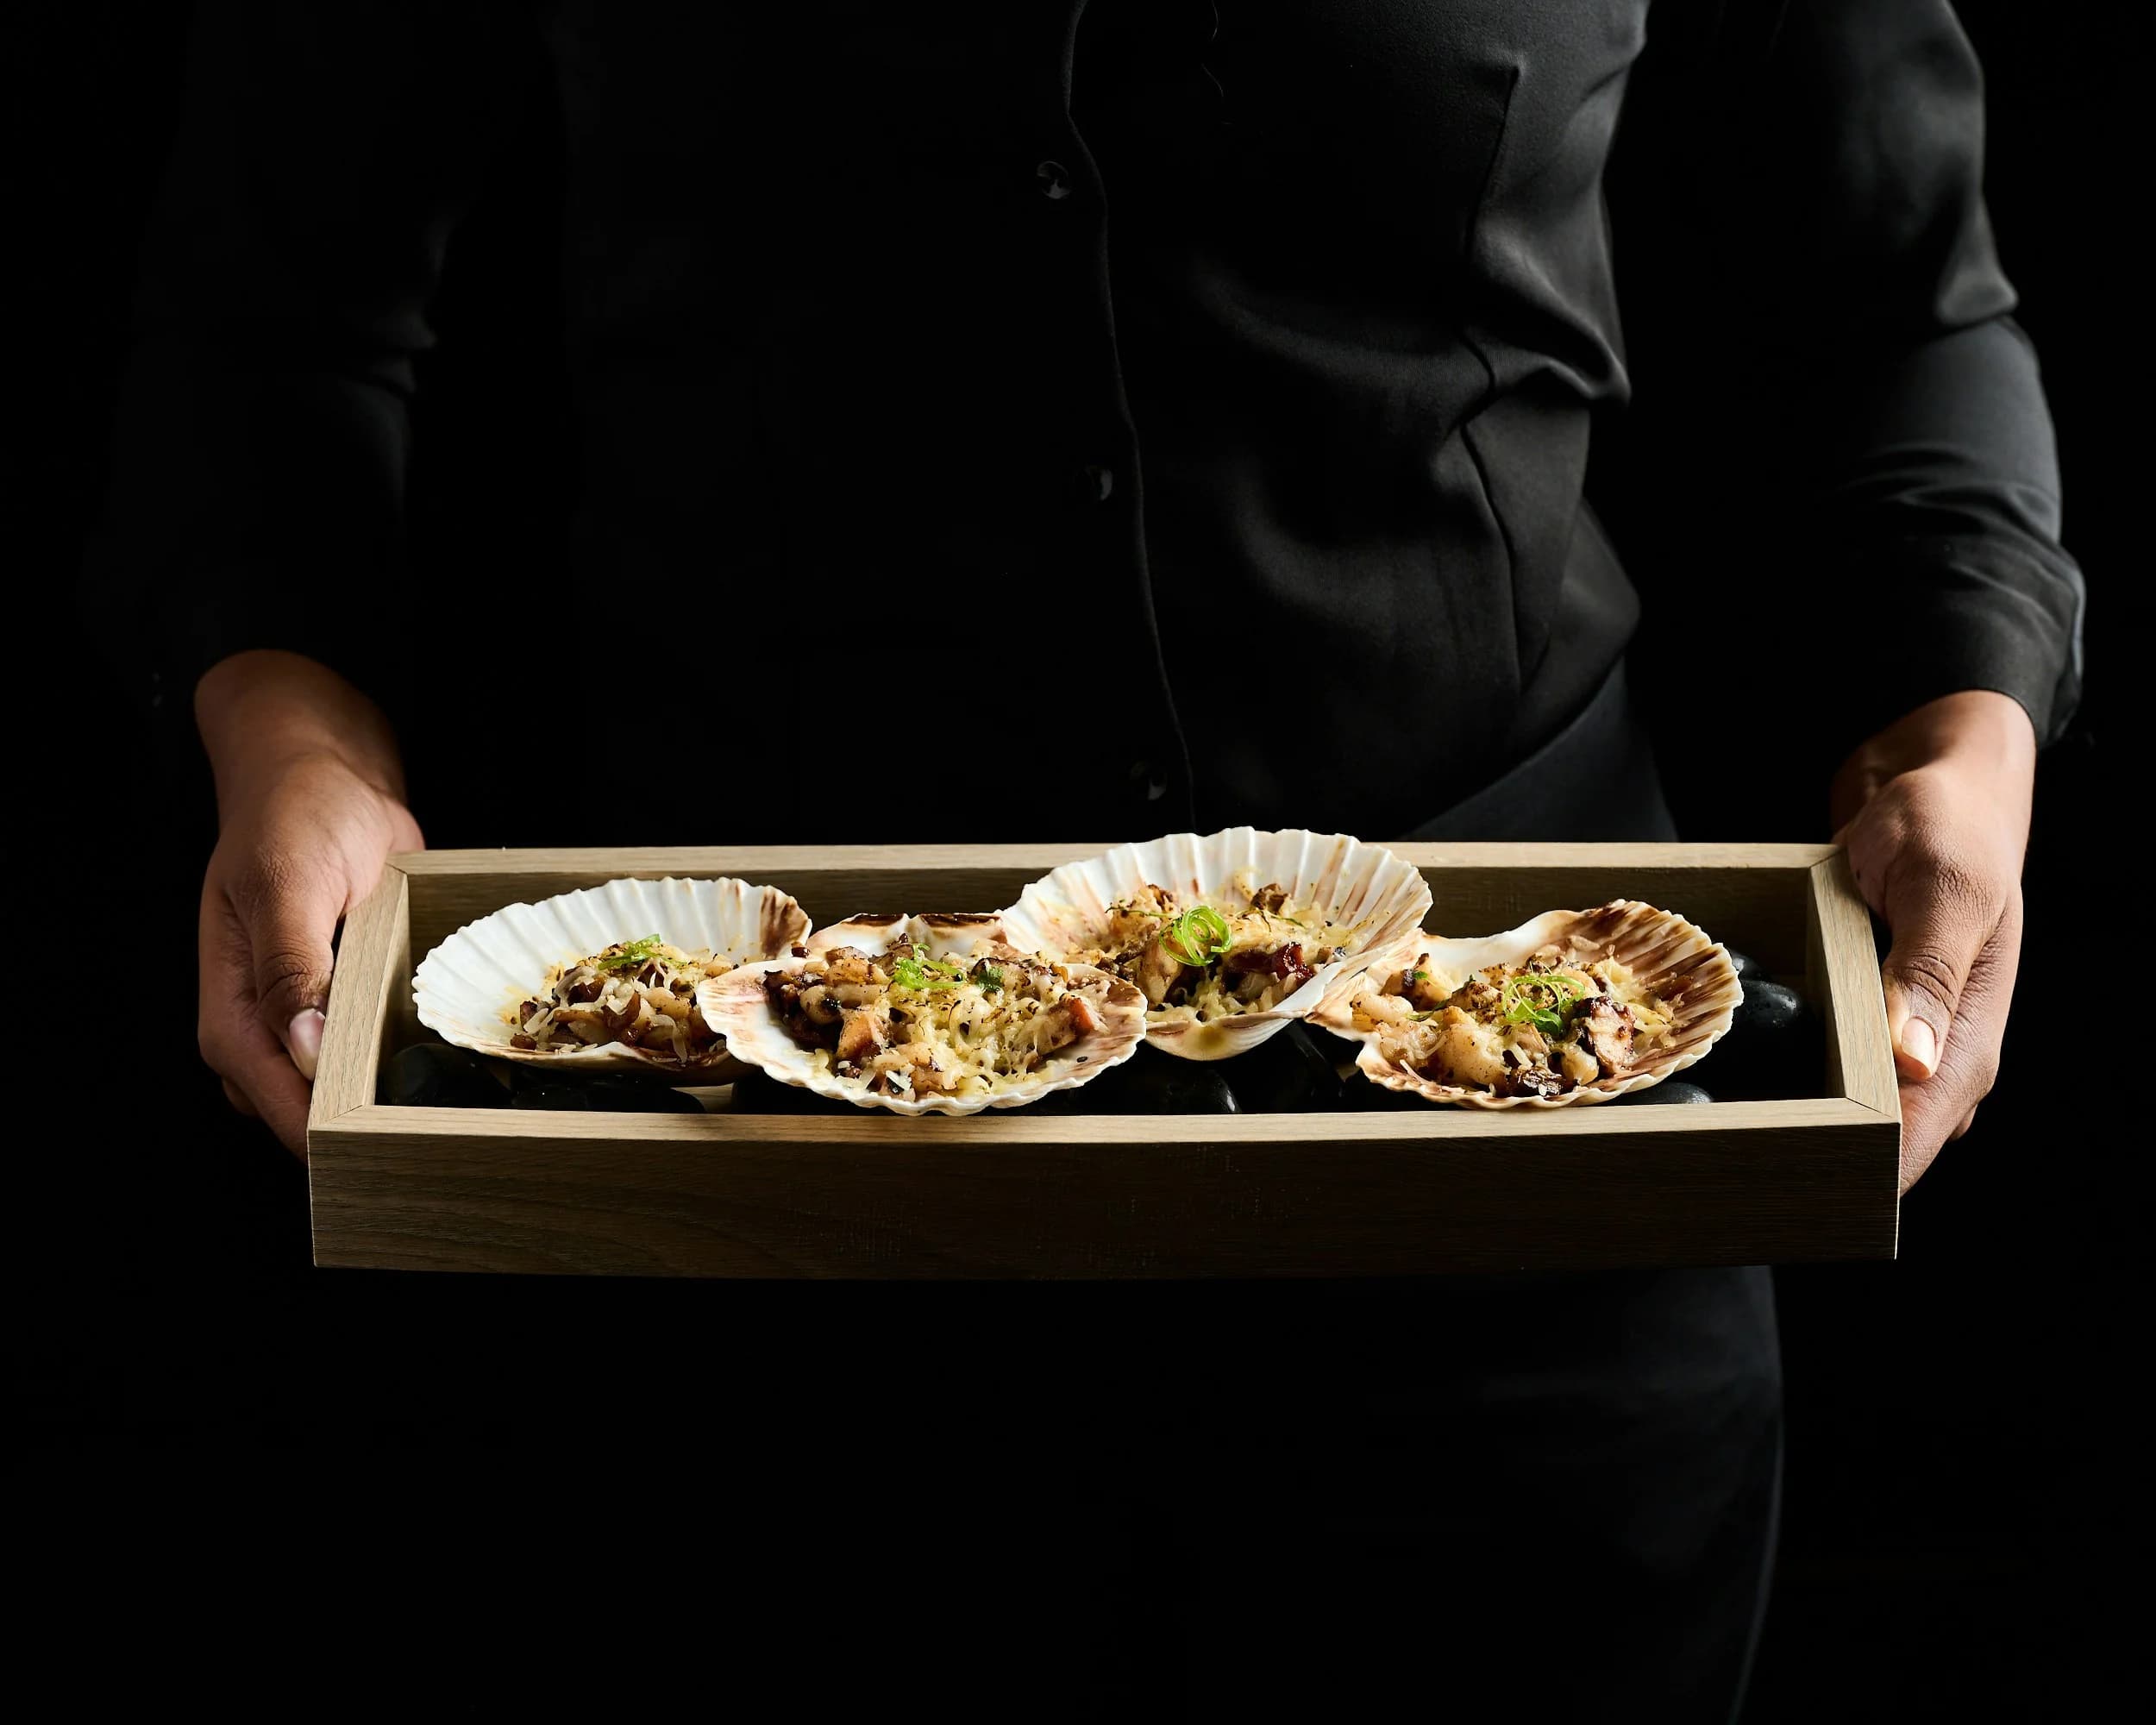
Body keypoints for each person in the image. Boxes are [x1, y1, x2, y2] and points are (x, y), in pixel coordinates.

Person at [91, 2, 2081, 1715]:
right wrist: (290, 727)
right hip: (755, 1243)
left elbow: (1906, 309)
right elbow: (273, 312)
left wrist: (1961, 720)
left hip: (1523, 1238)